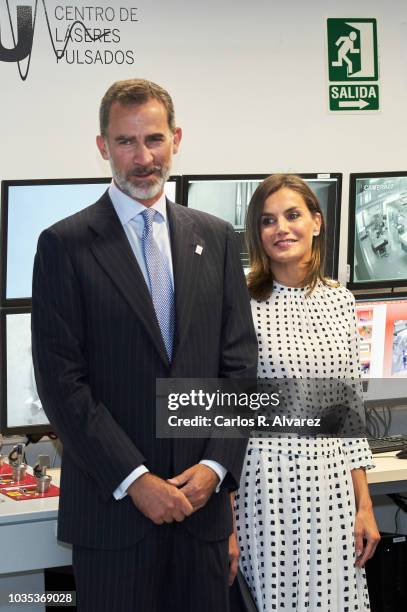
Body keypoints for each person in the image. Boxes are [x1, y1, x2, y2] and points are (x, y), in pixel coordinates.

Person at [31, 78, 257, 612]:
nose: (142, 157)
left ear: (176, 139)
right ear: (102, 146)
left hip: (202, 516)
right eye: (126, 142)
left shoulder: (218, 238)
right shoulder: (64, 245)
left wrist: (215, 470)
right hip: (115, 522)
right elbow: (63, 384)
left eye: (153, 139)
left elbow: (240, 368)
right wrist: (136, 481)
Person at [234, 174, 380, 611]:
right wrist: (224, 522)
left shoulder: (341, 300)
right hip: (264, 486)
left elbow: (348, 411)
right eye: (267, 220)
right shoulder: (239, 301)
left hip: (332, 488)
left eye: (292, 215)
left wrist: (366, 505)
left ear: (316, 222)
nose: (281, 228)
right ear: (257, 235)